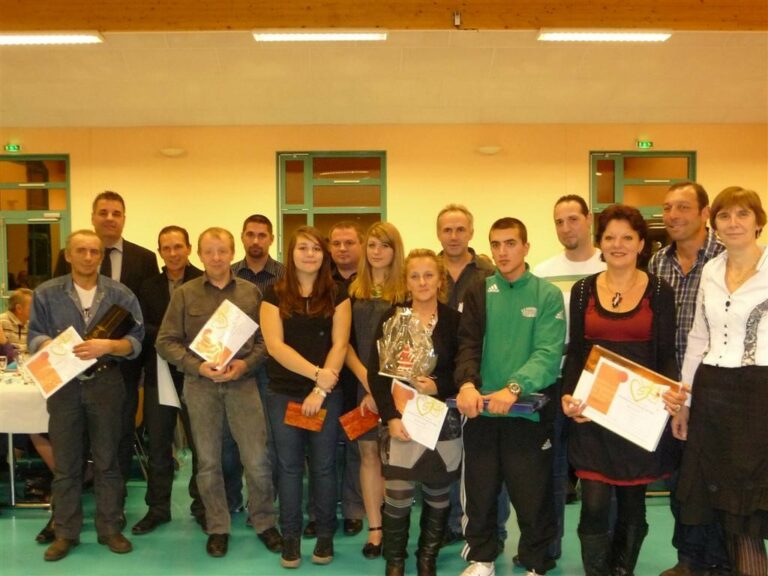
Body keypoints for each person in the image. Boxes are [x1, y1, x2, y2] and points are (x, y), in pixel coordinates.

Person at [561, 204, 683, 576]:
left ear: (641, 243)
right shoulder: (583, 291)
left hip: (637, 416)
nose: (618, 245)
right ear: (600, 242)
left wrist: (672, 397)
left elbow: (666, 355)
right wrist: (569, 395)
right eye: (610, 237)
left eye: (627, 237)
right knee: (594, 505)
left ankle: (621, 571)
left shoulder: (659, 291)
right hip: (594, 415)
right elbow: (577, 353)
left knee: (632, 504)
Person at [155, 227, 280, 558]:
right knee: (208, 462)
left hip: (243, 385)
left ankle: (265, 521)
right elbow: (165, 341)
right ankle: (217, 526)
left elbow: (266, 341)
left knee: (257, 459)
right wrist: (197, 366)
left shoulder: (251, 293)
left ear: (232, 252)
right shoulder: (185, 294)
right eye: (209, 251)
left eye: (222, 251)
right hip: (201, 388)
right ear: (199, 255)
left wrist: (245, 364)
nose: (216, 257)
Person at [455, 217, 565, 576]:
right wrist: (467, 384)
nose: (502, 252)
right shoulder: (479, 291)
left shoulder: (547, 295)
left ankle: (536, 562)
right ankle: (482, 558)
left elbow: (548, 354)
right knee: (480, 492)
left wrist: (515, 387)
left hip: (527, 414)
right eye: (496, 244)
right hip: (482, 413)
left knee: (532, 495)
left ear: (526, 247)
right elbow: (467, 345)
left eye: (511, 243)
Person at [28, 229, 145, 561]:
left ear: (101, 257)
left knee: (108, 461)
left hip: (106, 384)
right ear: (68, 255)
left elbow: (136, 342)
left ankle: (110, 529)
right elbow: (33, 334)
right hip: (63, 386)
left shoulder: (121, 295)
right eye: (81, 250)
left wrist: (110, 346)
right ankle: (66, 533)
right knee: (67, 464)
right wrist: (46, 344)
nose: (88, 257)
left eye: (95, 251)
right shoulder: (47, 293)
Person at [675, 186, 768, 576]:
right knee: (722, 509)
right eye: (725, 216)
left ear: (759, 222)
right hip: (711, 392)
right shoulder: (711, 269)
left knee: (746, 514)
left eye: (743, 214)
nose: (733, 223)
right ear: (714, 223)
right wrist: (684, 401)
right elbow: (698, 337)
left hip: (758, 396)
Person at [647, 182, 728, 576]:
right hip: (669, 393)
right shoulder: (656, 263)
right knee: (682, 483)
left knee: (720, 481)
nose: (673, 215)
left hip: (718, 391)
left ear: (704, 213)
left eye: (683, 207)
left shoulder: (727, 257)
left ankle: (723, 560)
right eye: (667, 208)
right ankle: (689, 560)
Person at [54, 191, 159, 489]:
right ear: (93, 217)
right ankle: (76, 498)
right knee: (75, 437)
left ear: (124, 218)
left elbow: (145, 316)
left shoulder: (144, 259)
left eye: (116, 213)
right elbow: (58, 306)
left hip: (122, 366)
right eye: (103, 212)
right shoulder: (68, 256)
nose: (110, 218)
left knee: (120, 435)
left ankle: (115, 499)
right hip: (74, 364)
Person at [260, 225, 351, 568]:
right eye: (302, 248)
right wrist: (315, 375)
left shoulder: (338, 293)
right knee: (289, 468)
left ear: (323, 255)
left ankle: (325, 536)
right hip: (283, 393)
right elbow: (274, 346)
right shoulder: (273, 293)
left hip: (326, 395)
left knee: (325, 467)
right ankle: (291, 538)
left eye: (315, 248)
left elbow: (340, 344)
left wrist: (320, 390)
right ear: (291, 253)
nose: (309, 254)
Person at [369, 248, 462, 576]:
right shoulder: (393, 318)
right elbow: (376, 374)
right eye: (415, 276)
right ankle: (395, 561)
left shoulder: (455, 321)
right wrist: (391, 417)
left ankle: (427, 559)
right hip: (402, 419)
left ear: (440, 280)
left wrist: (440, 386)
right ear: (406, 281)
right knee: (398, 493)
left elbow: (466, 369)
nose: (422, 282)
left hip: (442, 419)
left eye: (428, 275)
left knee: (438, 493)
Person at [532, 195, 606, 563]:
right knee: (552, 471)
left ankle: (603, 555)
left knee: (601, 473)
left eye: (573, 219)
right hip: (556, 380)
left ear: (588, 219)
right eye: (559, 221)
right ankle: (548, 548)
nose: (566, 228)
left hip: (602, 382)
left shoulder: (611, 263)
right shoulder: (543, 272)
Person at [434, 204, 507, 549]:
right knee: (448, 455)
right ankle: (452, 523)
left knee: (488, 459)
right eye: (447, 230)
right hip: (437, 378)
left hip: (481, 375)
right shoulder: (428, 270)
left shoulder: (489, 272)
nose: (453, 236)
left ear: (471, 233)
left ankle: (496, 528)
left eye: (460, 229)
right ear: (438, 233)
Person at [132, 226, 204, 535]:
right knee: (159, 444)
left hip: (196, 375)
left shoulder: (203, 282)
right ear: (160, 252)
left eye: (178, 246)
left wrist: (172, 335)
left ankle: (202, 506)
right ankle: (158, 508)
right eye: (166, 248)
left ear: (189, 248)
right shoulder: (148, 286)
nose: (173, 253)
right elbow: (139, 326)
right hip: (158, 373)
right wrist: (172, 335)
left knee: (202, 445)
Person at [346, 221, 407, 558]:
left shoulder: (406, 292)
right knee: (368, 454)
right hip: (361, 386)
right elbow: (344, 342)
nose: (377, 251)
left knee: (395, 458)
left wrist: (381, 388)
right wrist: (368, 382)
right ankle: (375, 530)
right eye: (371, 245)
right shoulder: (353, 291)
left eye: (384, 245)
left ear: (395, 251)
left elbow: (407, 347)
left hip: (395, 386)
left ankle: (396, 526)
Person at [225, 214, 286, 513]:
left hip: (274, 368)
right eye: (250, 234)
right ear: (242, 237)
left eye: (262, 235)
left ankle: (263, 501)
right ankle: (232, 499)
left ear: (271, 239)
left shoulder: (285, 276)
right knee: (232, 439)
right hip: (235, 366)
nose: (256, 240)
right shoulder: (229, 274)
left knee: (268, 439)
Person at [328, 220, 366, 536]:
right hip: (324, 377)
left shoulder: (370, 281)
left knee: (357, 445)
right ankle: (322, 508)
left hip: (359, 379)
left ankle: (354, 509)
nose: (342, 248)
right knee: (322, 447)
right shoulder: (318, 279)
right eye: (336, 243)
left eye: (349, 242)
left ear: (361, 245)